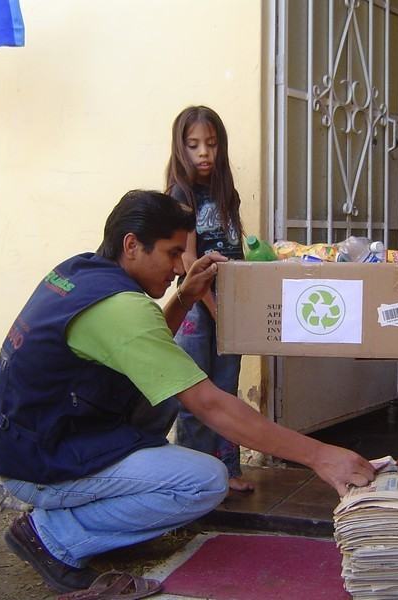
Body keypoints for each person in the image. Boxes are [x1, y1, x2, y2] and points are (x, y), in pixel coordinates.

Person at [0, 190, 374, 594]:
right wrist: (320, 456)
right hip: (38, 462)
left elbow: (143, 348)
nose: (177, 267)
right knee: (203, 481)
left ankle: (96, 513)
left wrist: (185, 297)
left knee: (165, 387)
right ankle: (53, 536)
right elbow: (209, 405)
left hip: (27, 439)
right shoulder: (121, 307)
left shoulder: (81, 271)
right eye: (172, 254)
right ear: (132, 245)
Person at [164, 105, 252, 492]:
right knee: (197, 399)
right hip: (197, 312)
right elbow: (187, 259)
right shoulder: (179, 194)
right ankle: (196, 480)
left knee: (226, 393)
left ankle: (228, 472)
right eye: (194, 145)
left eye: (211, 144)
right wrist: (217, 311)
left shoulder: (226, 193)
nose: (204, 153)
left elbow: (236, 251)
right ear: (180, 148)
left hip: (230, 308)